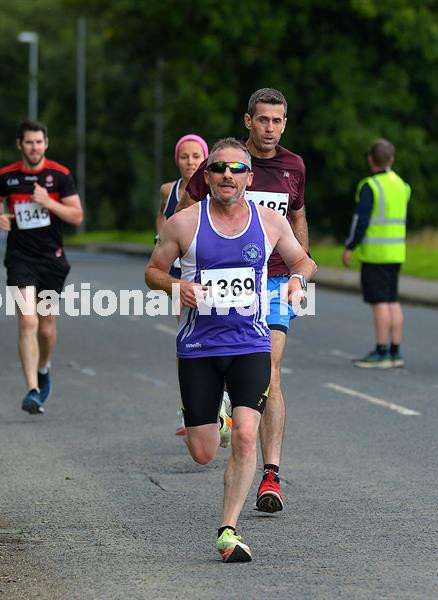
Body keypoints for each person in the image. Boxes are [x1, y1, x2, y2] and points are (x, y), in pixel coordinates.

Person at [146, 138, 316, 562]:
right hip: (199, 347)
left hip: (250, 344)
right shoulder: (184, 223)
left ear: (248, 177)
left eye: (236, 169)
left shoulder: (269, 222)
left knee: (245, 436)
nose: (227, 175)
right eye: (219, 168)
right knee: (203, 452)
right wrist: (176, 286)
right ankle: (213, 419)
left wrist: (297, 281)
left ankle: (228, 530)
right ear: (208, 176)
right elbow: (152, 271)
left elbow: (304, 261)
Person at [176, 88, 307, 514]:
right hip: (216, 277)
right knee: (222, 367)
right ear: (248, 121)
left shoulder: (293, 166)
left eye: (278, 120)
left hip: (272, 280)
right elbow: (186, 206)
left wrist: (298, 275)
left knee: (270, 364)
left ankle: (270, 472)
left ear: (285, 123)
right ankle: (217, 407)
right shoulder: (225, 163)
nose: (271, 128)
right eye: (263, 120)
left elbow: (297, 217)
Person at [0, 120, 84, 414]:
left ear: (46, 143)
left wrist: (48, 203)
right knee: (27, 321)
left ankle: (44, 368)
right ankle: (31, 389)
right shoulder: (8, 176)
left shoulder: (59, 175)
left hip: (51, 260)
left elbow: (77, 216)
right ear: (20, 144)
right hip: (20, 257)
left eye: (39, 142)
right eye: (29, 142)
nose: (34, 147)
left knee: (46, 326)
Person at [341, 138, 411, 368]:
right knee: (392, 300)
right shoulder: (402, 186)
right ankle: (395, 351)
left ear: (371, 160)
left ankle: (381, 351)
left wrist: (350, 246)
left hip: (375, 254)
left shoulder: (369, 186)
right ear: (392, 159)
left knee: (379, 302)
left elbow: (359, 221)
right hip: (396, 252)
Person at [156, 133, 209, 436]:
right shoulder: (168, 189)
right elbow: (162, 217)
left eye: (196, 157)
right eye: (184, 157)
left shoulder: (214, 186)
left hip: (207, 268)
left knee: (219, 333)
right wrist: (161, 240)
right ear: (176, 159)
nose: (190, 162)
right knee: (186, 338)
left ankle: (222, 397)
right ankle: (188, 408)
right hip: (178, 272)